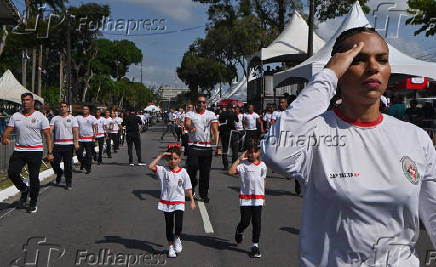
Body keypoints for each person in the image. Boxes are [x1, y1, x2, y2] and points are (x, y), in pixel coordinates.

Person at [261, 26, 436, 266]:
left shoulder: (416, 138)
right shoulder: (317, 132)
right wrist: (327, 76)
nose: (374, 67)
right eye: (359, 60)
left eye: (382, 60)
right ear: (340, 68)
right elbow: (276, 152)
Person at [1, 93, 53, 213]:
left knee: (34, 177)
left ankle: (33, 202)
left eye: (28, 100)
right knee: (12, 173)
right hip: (19, 150)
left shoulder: (40, 117)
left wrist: (50, 152)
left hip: (35, 151)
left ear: (33, 102)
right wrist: (4, 138)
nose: (25, 102)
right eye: (23, 100)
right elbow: (7, 131)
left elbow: (47, 136)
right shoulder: (16, 116)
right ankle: (24, 189)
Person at [148, 144, 196, 258]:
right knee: (169, 226)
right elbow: (151, 166)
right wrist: (162, 155)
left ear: (179, 159)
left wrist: (192, 201)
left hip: (179, 202)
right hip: (166, 202)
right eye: (170, 158)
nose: (173, 161)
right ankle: (170, 247)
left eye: (175, 158)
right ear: (167, 159)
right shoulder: (163, 170)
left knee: (178, 225)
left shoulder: (183, 172)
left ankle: (177, 238)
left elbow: (188, 187)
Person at [228, 139, 267, 258]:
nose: (252, 154)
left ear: (258, 152)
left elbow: (263, 180)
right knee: (245, 221)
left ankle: (255, 246)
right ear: (246, 152)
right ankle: (239, 230)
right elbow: (230, 171)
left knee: (257, 222)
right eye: (249, 152)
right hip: (246, 198)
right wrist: (239, 159)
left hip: (258, 198)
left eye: (254, 152)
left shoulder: (262, 165)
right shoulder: (243, 165)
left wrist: (263, 195)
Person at [184, 94, 219, 203]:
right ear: (196, 103)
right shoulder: (190, 113)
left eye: (203, 102)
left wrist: (218, 145)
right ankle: (192, 185)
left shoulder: (211, 114)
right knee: (192, 168)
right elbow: (187, 123)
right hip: (193, 146)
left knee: (205, 173)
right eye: (199, 102)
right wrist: (190, 128)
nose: (201, 104)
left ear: (206, 104)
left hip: (206, 147)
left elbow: (215, 129)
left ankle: (204, 194)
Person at [50, 102, 79, 189]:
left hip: (68, 145)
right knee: (54, 162)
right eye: (61, 107)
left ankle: (68, 182)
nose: (62, 108)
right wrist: (46, 134)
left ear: (67, 108)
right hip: (57, 145)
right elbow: (50, 129)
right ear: (59, 108)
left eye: (64, 106)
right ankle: (59, 173)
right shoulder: (55, 118)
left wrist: (76, 142)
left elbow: (75, 131)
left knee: (68, 165)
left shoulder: (72, 118)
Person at [76, 106, 98, 174]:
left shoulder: (92, 118)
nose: (85, 110)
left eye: (86, 109)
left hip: (89, 139)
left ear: (88, 110)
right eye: (83, 109)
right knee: (79, 154)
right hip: (80, 139)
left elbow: (95, 127)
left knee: (88, 155)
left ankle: (88, 168)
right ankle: (83, 163)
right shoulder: (78, 117)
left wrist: (95, 135)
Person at [219, 104, 239, 169]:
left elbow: (220, 121)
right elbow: (237, 120)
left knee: (224, 149)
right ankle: (234, 165)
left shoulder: (221, 114)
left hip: (224, 133)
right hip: (232, 133)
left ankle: (225, 166)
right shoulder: (233, 113)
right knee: (235, 150)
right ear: (231, 108)